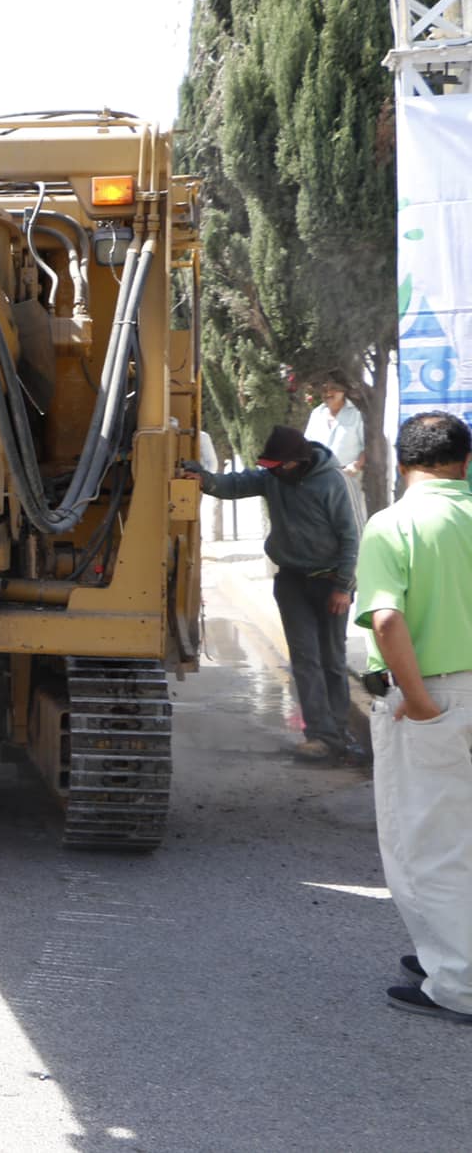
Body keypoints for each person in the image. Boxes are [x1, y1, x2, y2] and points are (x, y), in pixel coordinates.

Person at [354, 412, 472, 1022]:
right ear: (466, 462)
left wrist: (418, 699)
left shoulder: (393, 523)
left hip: (435, 699)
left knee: (429, 844)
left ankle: (458, 986)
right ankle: (446, 956)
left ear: (402, 464)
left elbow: (387, 619)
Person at [188, 425, 361, 762]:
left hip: (329, 584)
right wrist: (205, 479)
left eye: (277, 466)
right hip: (292, 582)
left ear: (297, 461)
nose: (271, 472)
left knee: (332, 661)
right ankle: (320, 736)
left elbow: (351, 537)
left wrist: (343, 587)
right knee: (305, 660)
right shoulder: (274, 477)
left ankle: (339, 733)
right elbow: (236, 484)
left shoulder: (333, 482)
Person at [305, 377, 368, 526]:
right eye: (324, 389)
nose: (328, 393)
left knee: (351, 524)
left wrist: (356, 466)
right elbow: (307, 446)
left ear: (343, 390)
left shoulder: (356, 413)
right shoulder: (317, 414)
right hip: (320, 479)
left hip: (349, 478)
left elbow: (369, 446)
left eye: (332, 388)